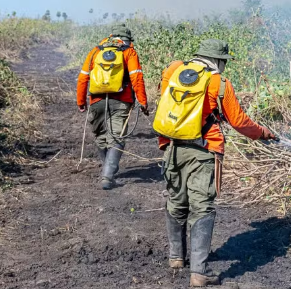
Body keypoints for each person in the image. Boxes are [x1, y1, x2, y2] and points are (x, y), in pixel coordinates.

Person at [156, 39, 277, 287]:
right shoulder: (219, 83)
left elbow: (166, 103)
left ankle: (176, 257)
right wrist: (263, 133)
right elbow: (239, 121)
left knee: (176, 200)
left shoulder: (174, 70)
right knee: (203, 207)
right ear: (218, 60)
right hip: (204, 150)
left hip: (173, 147)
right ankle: (199, 272)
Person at [76, 24, 148, 190]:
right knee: (117, 137)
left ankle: (107, 170)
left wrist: (81, 101)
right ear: (128, 40)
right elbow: (137, 78)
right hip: (122, 101)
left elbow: (83, 78)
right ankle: (108, 175)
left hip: (96, 101)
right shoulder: (128, 51)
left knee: (101, 137)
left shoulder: (96, 51)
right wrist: (143, 102)